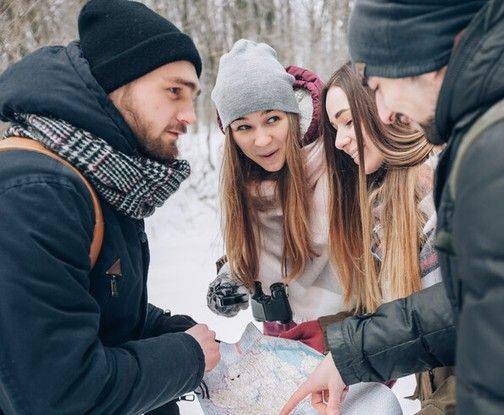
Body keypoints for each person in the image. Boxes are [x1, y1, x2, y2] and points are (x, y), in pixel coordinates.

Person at [283, 1, 504, 414]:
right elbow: (482, 298)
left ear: (422, 53)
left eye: (377, 87)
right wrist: (349, 348)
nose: (386, 113)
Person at [0, 1, 220, 414]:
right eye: (174, 91)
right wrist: (184, 357)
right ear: (116, 84)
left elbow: (90, 302)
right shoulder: (33, 194)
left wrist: (161, 328)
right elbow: (59, 395)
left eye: (193, 97)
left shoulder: (104, 178)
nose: (190, 115)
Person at [322, 63, 454, 413]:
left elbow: (478, 329)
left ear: (382, 109)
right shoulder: (384, 205)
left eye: (348, 121)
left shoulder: (435, 194)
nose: (339, 140)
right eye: (335, 127)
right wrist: (325, 335)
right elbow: (404, 318)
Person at [207, 39, 345, 351]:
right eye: (244, 127)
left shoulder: (338, 160)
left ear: (293, 115)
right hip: (280, 336)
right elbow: (253, 251)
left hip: (342, 333)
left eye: (273, 119)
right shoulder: (243, 183)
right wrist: (230, 281)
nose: (261, 140)